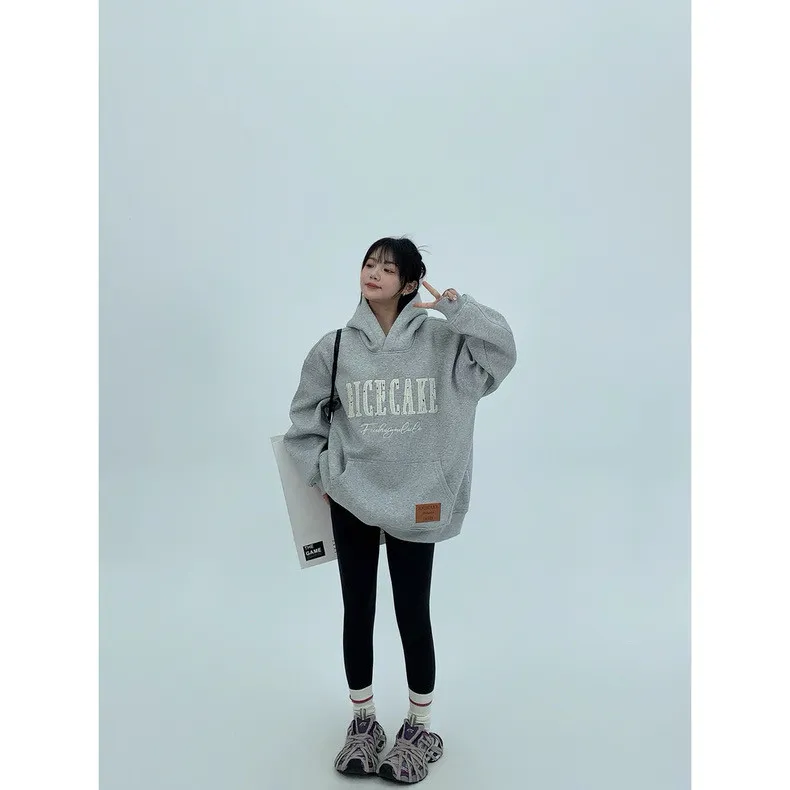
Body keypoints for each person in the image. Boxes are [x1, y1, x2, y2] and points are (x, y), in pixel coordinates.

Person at [283, 236, 517, 784]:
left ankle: (419, 728)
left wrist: (458, 308)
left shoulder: (445, 343)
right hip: (352, 499)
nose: (374, 273)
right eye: (369, 263)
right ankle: (363, 722)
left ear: (410, 282)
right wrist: (325, 474)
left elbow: (503, 351)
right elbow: (303, 423)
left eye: (388, 268)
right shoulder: (334, 348)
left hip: (419, 499)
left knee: (413, 612)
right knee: (357, 610)